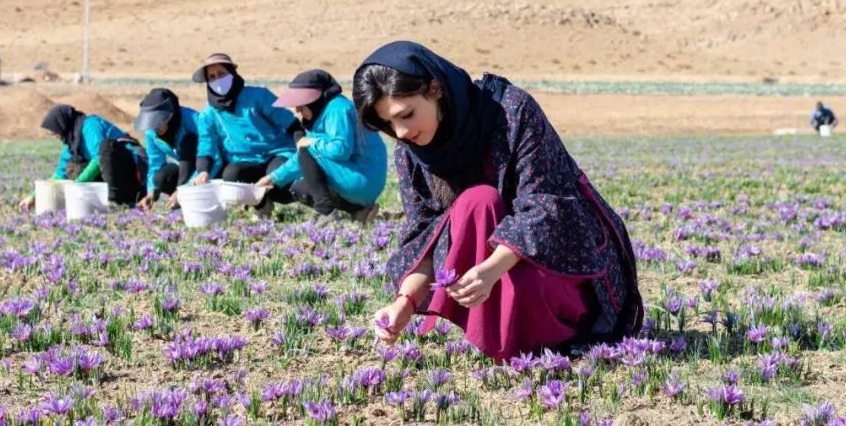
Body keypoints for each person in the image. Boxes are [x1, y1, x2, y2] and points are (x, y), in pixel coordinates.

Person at [353, 41, 642, 361]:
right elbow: (425, 238)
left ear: (435, 88)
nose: (402, 131)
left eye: (406, 114)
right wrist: (404, 303)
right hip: (477, 283)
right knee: (477, 203)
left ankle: (505, 329)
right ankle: (494, 328)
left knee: (482, 206)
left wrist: (490, 270)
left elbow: (545, 207)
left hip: (555, 262)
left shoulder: (512, 112)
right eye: (388, 125)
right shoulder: (411, 153)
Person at [253, 69, 386, 223]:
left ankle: (327, 214)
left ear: (314, 100)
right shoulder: (323, 113)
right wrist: (272, 179)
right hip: (356, 178)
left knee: (306, 151)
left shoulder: (338, 109)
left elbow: (340, 149)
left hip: (363, 178)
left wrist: (312, 142)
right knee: (301, 189)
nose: (297, 110)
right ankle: (360, 210)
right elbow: (301, 159)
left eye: (301, 105)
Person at [190, 53, 302, 215]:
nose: (217, 80)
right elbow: (206, 145)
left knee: (280, 182)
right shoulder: (208, 114)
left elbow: (288, 121)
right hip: (244, 160)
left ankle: (293, 197)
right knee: (231, 175)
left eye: (221, 74)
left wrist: (300, 140)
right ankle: (262, 205)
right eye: (212, 77)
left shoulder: (259, 96)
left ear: (232, 74)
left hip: (277, 152)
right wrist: (203, 171)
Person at [20, 104, 147, 209]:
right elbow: (60, 174)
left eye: (56, 132)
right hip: (117, 177)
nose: (57, 136)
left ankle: (115, 200)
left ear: (63, 125)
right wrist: (34, 196)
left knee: (106, 148)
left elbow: (100, 158)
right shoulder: (72, 144)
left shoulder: (90, 125)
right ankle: (103, 202)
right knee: (72, 166)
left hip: (133, 172)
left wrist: (76, 186)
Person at [132, 88, 200, 210]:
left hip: (206, 169)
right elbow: (155, 164)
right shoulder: (151, 132)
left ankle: (187, 199)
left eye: (157, 122)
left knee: (188, 142)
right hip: (184, 168)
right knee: (160, 178)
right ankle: (178, 198)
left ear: (169, 117)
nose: (154, 128)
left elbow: (211, 155)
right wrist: (151, 192)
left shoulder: (193, 120)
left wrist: (183, 191)